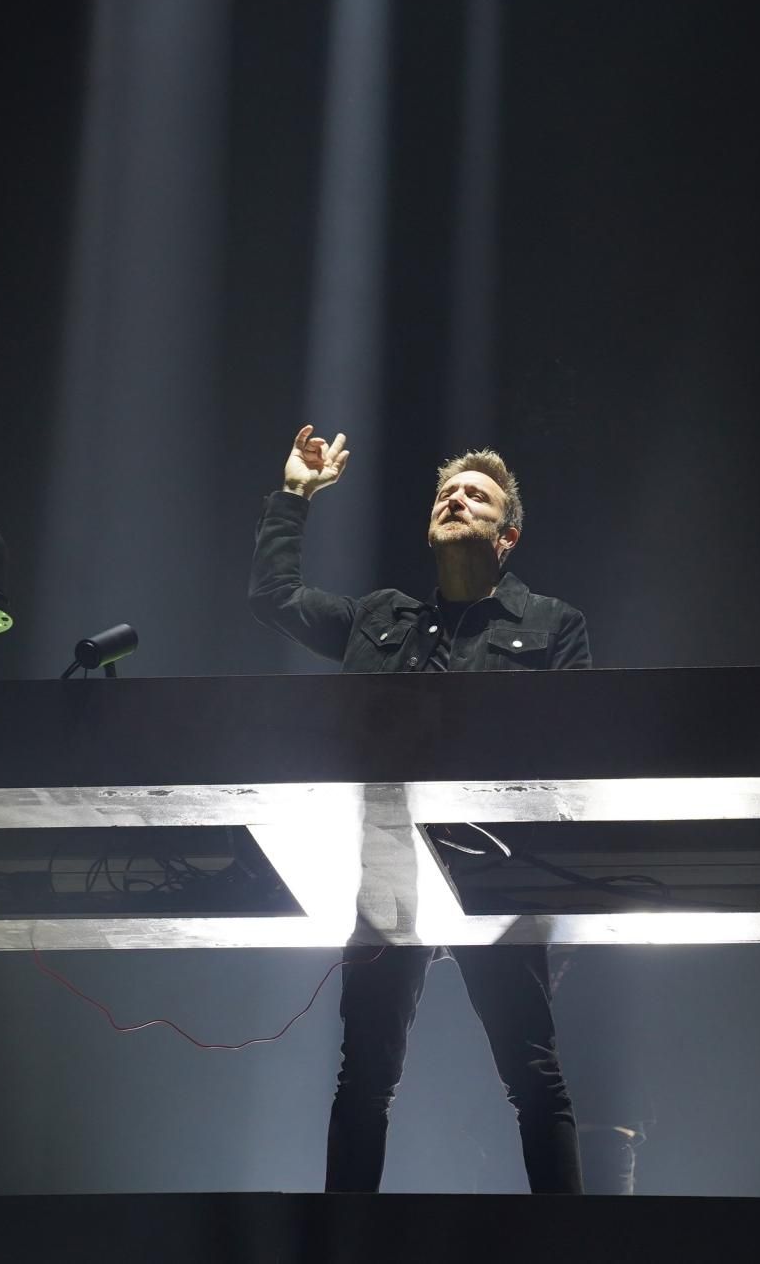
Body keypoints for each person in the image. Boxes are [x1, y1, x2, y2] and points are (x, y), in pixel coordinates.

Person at [248, 424, 589, 1194]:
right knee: (364, 1075)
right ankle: (344, 1238)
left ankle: (570, 1241)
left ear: (506, 536)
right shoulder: (381, 618)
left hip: (496, 870)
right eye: (446, 493)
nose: (455, 500)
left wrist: (550, 894)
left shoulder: (552, 626)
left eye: (476, 496)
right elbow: (273, 599)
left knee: (533, 1074)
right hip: (388, 869)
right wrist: (294, 495)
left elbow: (578, 753)